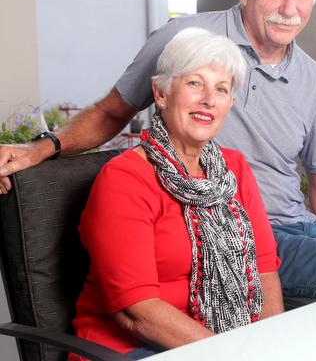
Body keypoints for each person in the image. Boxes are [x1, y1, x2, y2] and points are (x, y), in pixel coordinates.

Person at [0, 0, 316, 298]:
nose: (290, 7)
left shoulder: (313, 79)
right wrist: (43, 147)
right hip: (222, 233)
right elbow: (110, 111)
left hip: (293, 226)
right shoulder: (185, 41)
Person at [71, 28, 283, 360]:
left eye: (221, 89)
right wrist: (231, 354)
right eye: (195, 83)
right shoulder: (125, 179)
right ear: (161, 93)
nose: (208, 99)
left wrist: (271, 346)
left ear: (229, 103)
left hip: (220, 344)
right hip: (131, 348)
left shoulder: (234, 169)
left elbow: (263, 267)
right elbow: (137, 313)